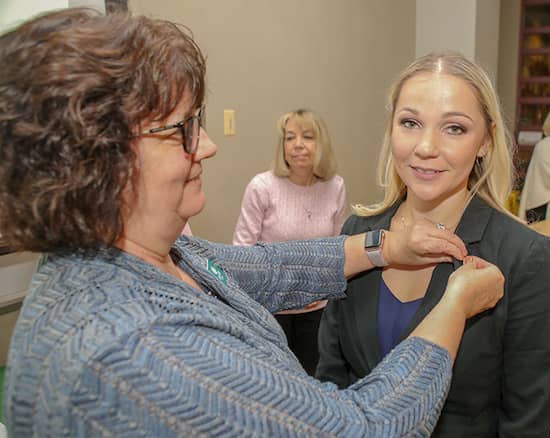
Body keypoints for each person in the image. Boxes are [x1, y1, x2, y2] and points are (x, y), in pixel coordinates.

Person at [0, 11, 504, 437]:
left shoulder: (149, 256)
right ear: (97, 163)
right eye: (183, 130)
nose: (209, 146)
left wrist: (382, 248)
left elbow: (267, 266)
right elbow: (361, 427)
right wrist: (454, 305)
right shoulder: (135, 353)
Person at [316, 52, 550, 437]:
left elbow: (526, 418)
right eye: (410, 123)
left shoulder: (523, 256)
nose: (426, 147)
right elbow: (331, 378)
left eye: (454, 129)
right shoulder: (358, 234)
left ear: (485, 141)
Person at [233, 109, 346, 375]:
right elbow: (242, 252)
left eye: (307, 137)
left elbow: (339, 248)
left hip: (318, 309)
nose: (297, 145)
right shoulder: (262, 186)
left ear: (321, 144)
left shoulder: (336, 186)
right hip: (270, 309)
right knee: (274, 381)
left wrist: (317, 291)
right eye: (289, 137)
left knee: (313, 379)